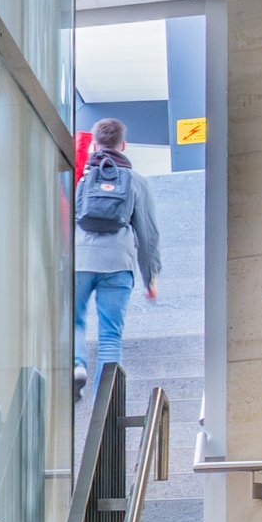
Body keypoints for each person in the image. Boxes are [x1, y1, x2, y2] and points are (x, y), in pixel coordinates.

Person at [71, 117, 162, 378]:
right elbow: (148, 234)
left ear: (94, 144)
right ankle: (107, 396)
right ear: (123, 144)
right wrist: (150, 277)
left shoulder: (79, 176)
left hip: (79, 260)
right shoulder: (136, 181)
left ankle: (77, 365)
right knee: (111, 334)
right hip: (118, 265)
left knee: (73, 322)